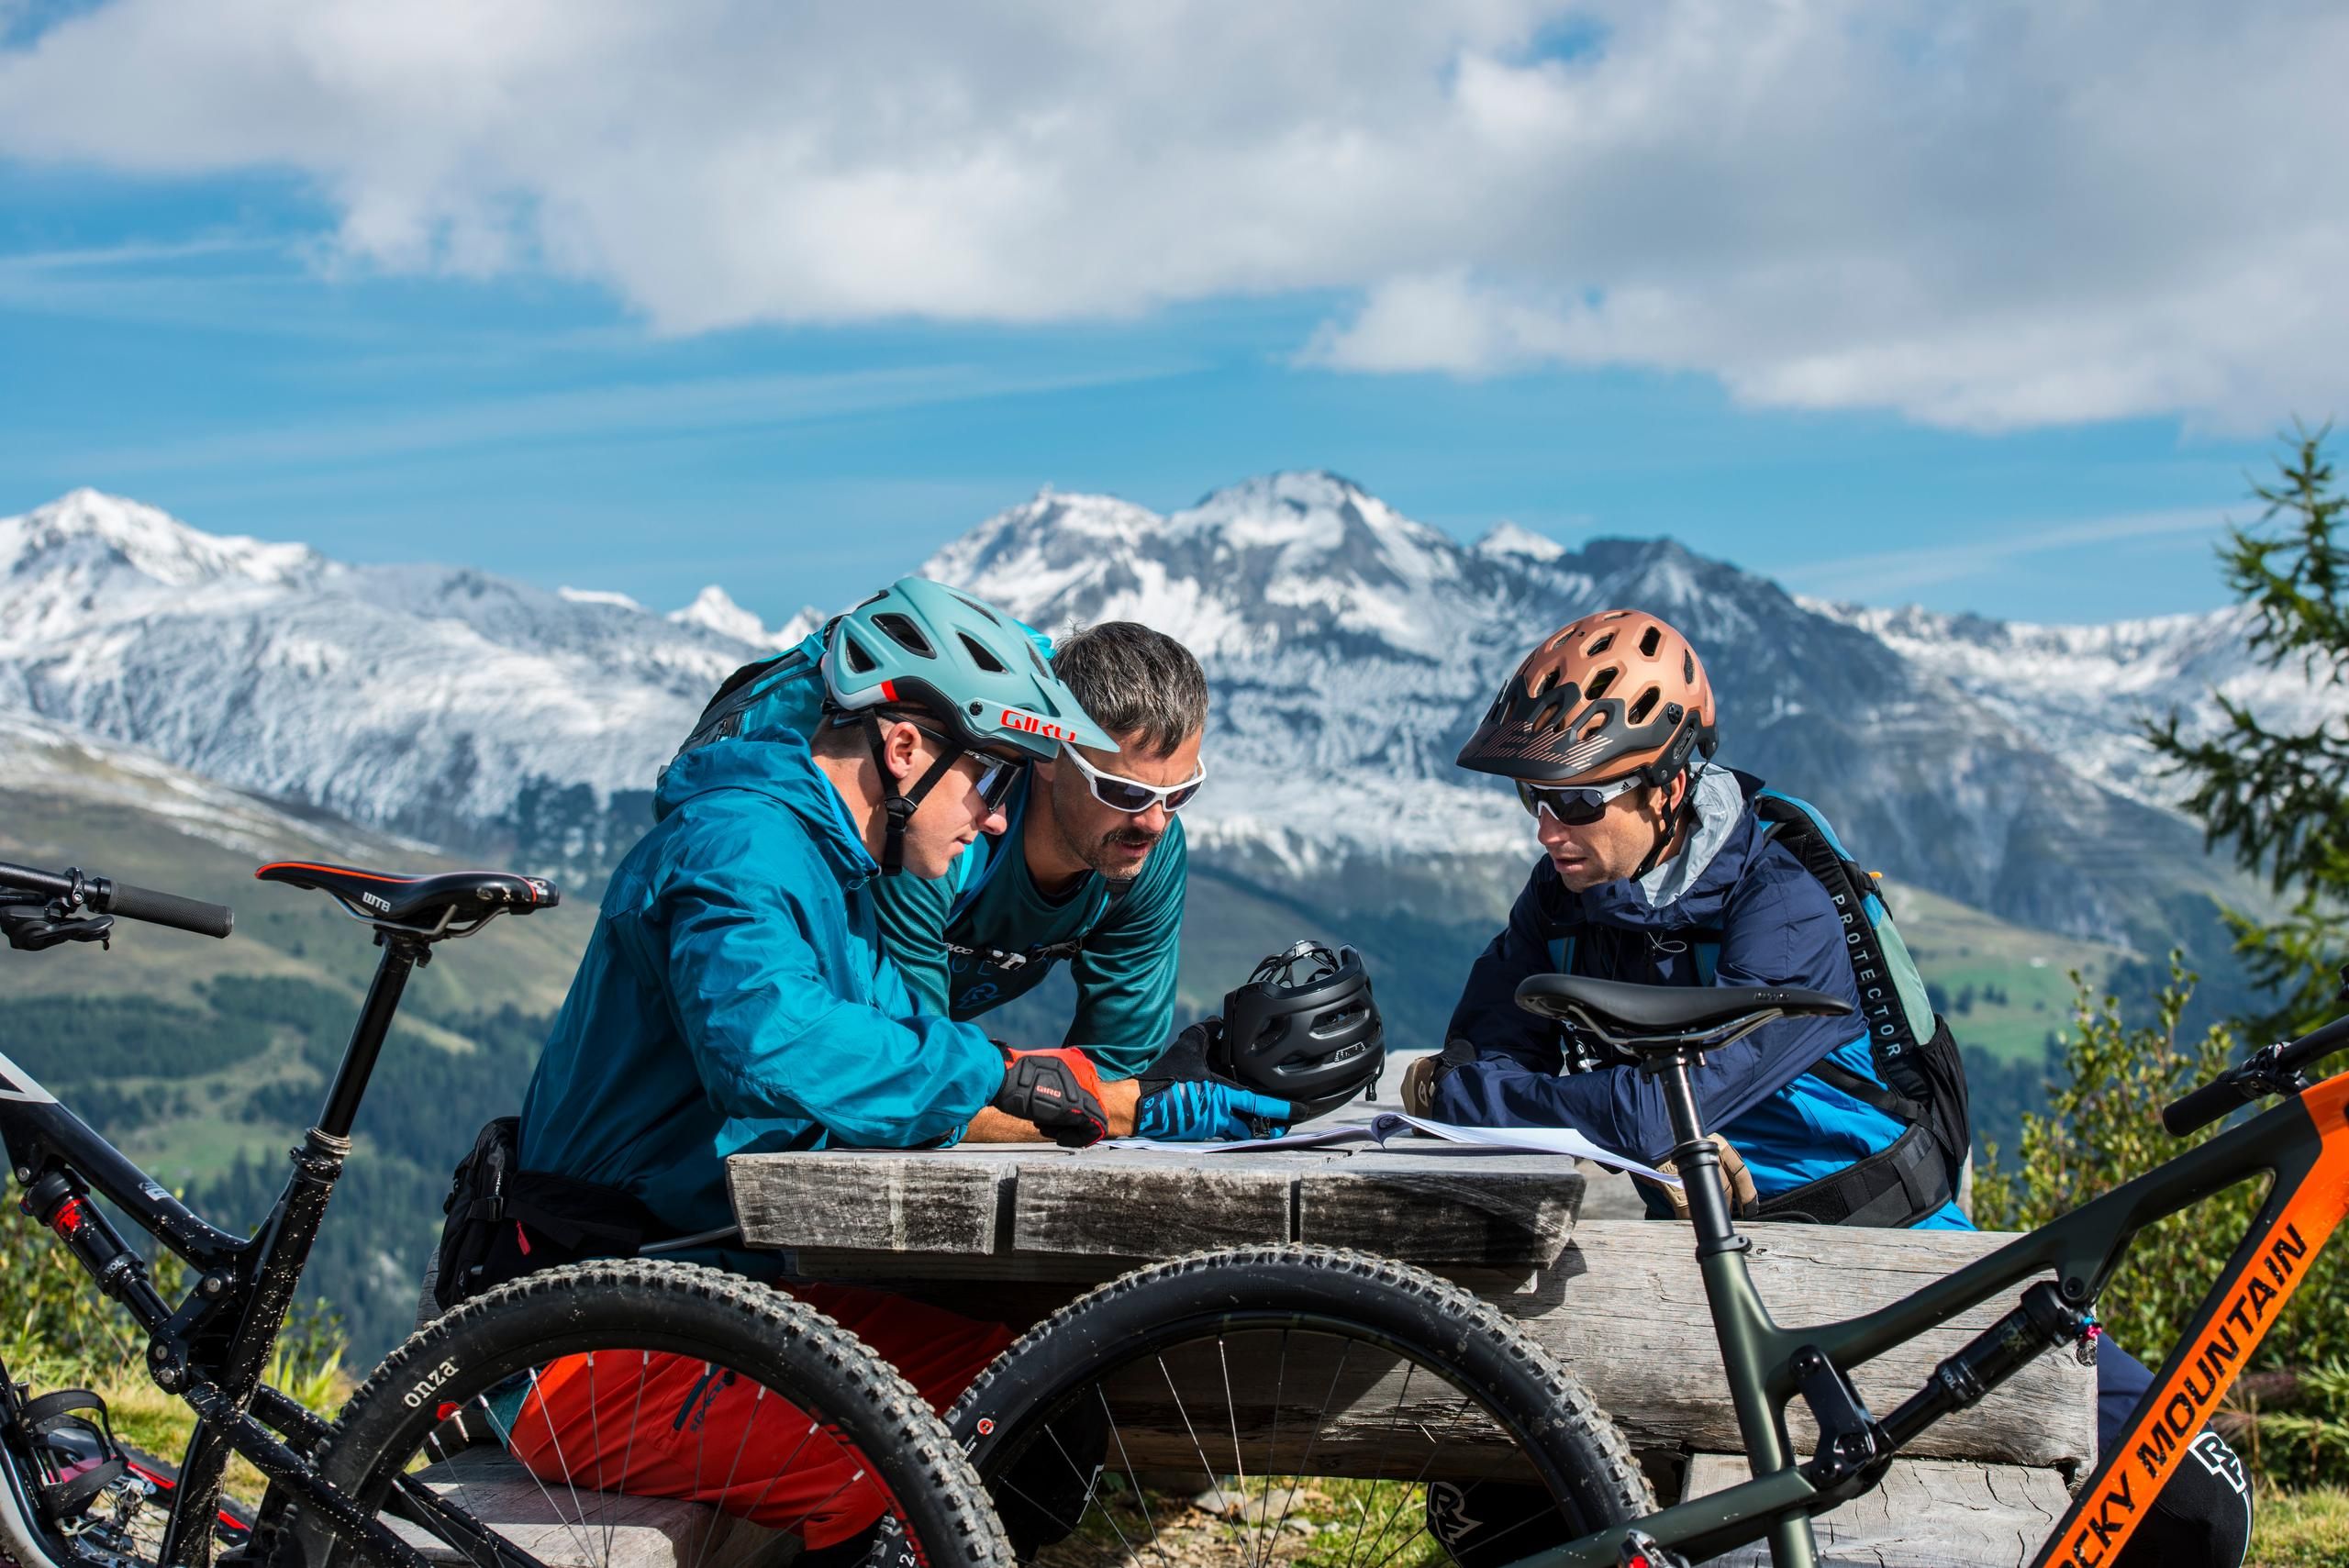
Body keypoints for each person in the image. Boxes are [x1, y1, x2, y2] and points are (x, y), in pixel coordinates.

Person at [1408, 608, 2251, 1568]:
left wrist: (1503, 1099)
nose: (1547, 826)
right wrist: (1498, 1096)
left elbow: (1651, 1111)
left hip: (1893, 1253)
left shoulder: (1788, 900)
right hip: (1705, 1261)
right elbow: (1475, 1057)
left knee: (2198, 1502)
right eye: (1533, 795)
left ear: (1668, 783)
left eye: (1578, 801)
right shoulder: (1563, 895)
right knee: (1480, 1493)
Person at [506, 577, 1131, 1560]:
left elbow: (899, 1034)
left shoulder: (828, 871)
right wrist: (982, 1077)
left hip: (701, 1300)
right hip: (583, 1335)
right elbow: (772, 1041)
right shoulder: (735, 848)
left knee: (1032, 1397)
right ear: (905, 746)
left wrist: (1148, 1088)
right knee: (908, 1462)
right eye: (996, 779)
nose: (999, 819)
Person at [673, 605, 1297, 1141]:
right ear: (1049, 756)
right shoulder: (906, 841)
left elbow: (916, 1070)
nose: (1156, 823)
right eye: (1121, 790)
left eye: (1180, 794)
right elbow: (880, 1076)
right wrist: (1113, 1104)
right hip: (651, 1221)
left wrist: (1080, 1091)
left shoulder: (1132, 853)